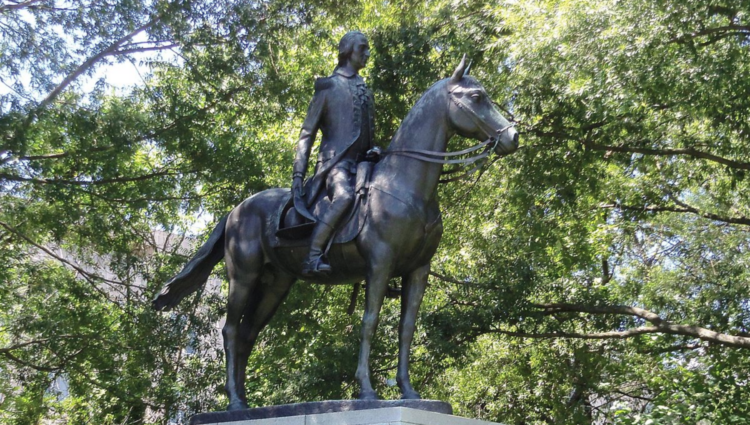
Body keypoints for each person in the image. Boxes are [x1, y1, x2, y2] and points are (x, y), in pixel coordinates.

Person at [292, 31, 377, 277]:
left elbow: (367, 133)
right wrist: (298, 175)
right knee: (344, 197)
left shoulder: (365, 89)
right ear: (348, 50)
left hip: (365, 165)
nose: (367, 53)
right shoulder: (328, 87)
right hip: (335, 165)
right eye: (362, 48)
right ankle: (313, 256)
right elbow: (307, 134)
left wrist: (375, 150)